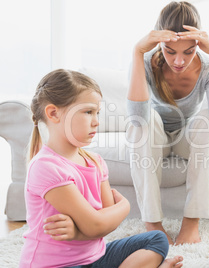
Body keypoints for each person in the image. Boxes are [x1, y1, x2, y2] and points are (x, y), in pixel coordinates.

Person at [20, 69, 183, 268]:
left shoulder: (95, 161)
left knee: (157, 239)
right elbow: (97, 224)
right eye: (88, 112)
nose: (96, 121)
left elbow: (105, 226)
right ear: (54, 113)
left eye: (97, 112)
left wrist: (79, 232)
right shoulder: (46, 166)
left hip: (96, 258)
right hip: (57, 265)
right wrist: (124, 206)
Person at [127, 1, 209, 245]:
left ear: (198, 44)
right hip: (156, 139)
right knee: (146, 119)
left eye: (188, 51)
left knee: (208, 119)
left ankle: (191, 223)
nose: (178, 61)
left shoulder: (206, 67)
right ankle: (152, 224)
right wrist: (137, 52)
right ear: (158, 44)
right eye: (170, 51)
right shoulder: (144, 63)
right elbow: (137, 118)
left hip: (187, 139)